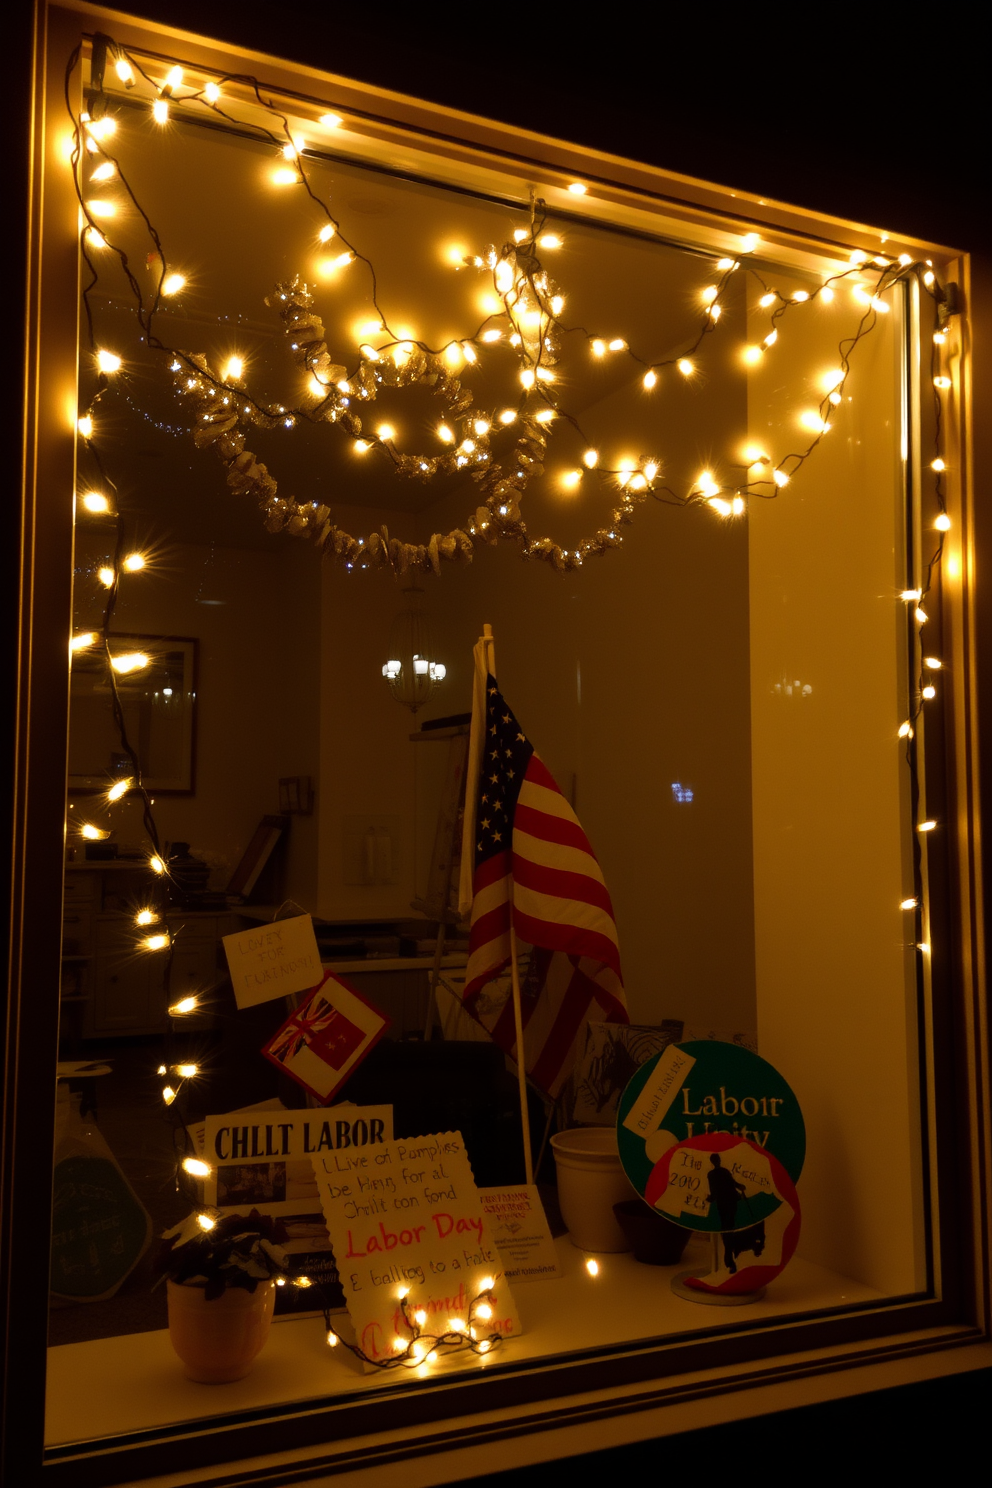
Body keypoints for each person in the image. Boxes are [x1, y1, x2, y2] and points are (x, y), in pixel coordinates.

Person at [706, 1153, 747, 1272]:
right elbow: (732, 1184)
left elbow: (730, 1184)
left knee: (727, 1229)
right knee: (728, 1228)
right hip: (728, 1202)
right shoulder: (721, 1172)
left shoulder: (715, 1174)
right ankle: (729, 1256)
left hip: (726, 1203)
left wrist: (709, 1198)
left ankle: (729, 1257)